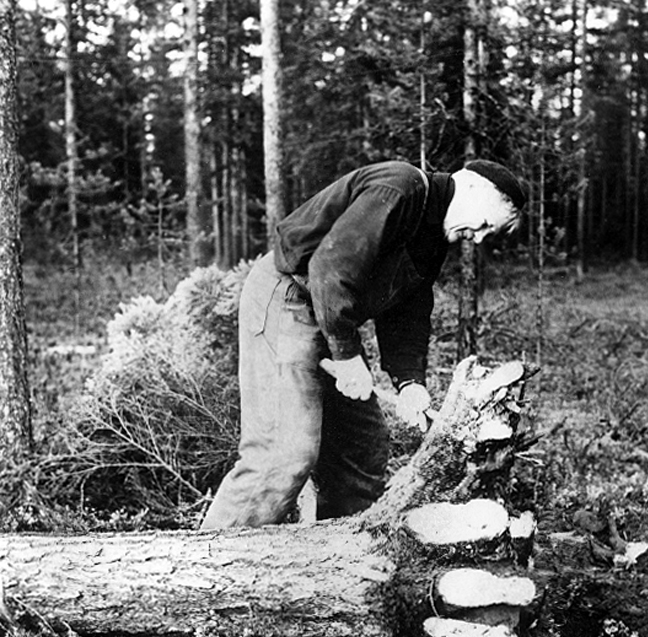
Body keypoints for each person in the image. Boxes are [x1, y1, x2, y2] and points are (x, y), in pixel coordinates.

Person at [201, 159, 526, 529]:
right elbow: (331, 266)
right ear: (470, 187)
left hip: (331, 315)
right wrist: (347, 355)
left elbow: (408, 312)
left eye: (491, 233)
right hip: (289, 297)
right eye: (485, 223)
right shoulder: (399, 189)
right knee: (284, 454)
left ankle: (341, 566)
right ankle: (207, 569)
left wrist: (410, 384)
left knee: (361, 451)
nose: (480, 237)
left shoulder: (434, 237)